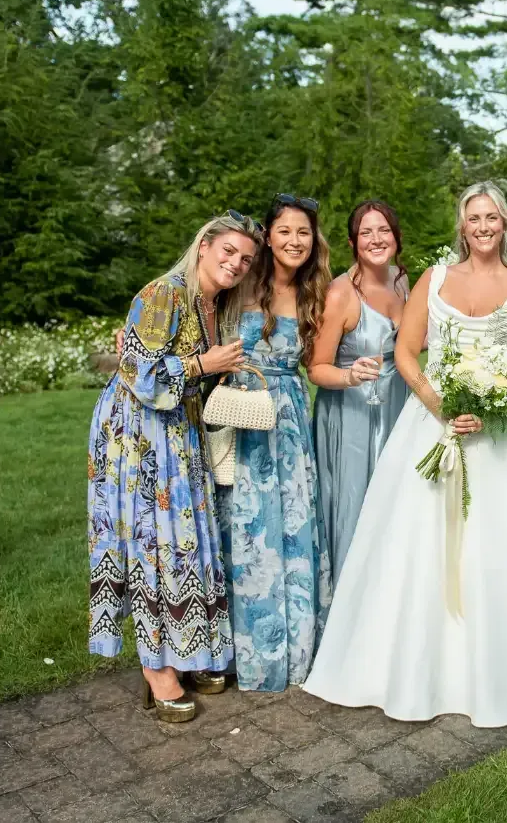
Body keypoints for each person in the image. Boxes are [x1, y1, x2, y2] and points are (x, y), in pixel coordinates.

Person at [303, 182, 507, 727]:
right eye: (474, 217)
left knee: (498, 548)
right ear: (462, 225)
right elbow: (406, 350)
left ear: (505, 224)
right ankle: (413, 667)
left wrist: (490, 405)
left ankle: (499, 669)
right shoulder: (433, 278)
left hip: (499, 437)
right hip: (431, 423)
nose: (484, 226)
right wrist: (439, 404)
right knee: (415, 546)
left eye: (492, 217)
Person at [88, 212, 262, 722]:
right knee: (150, 543)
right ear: (204, 245)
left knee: (181, 543)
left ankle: (183, 652)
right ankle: (155, 669)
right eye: (228, 251)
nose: (235, 263)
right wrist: (202, 366)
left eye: (245, 259)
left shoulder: (213, 304)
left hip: (179, 432)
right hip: (136, 435)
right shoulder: (164, 293)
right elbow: (139, 373)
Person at [217, 193, 332, 692]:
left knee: (288, 524)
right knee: (243, 527)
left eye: (303, 232)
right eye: (284, 230)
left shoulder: (314, 293)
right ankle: (236, 653)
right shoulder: (238, 281)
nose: (294, 240)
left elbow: (321, 359)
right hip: (239, 415)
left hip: (286, 423)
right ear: (268, 234)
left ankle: (294, 649)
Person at [309, 201, 411, 581]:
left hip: (397, 406)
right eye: (366, 232)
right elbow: (316, 367)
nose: (376, 239)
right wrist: (350, 376)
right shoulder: (339, 294)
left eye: (383, 230)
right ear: (353, 243)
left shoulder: (401, 280)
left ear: (396, 238)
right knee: (357, 506)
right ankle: (347, 603)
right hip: (351, 415)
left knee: (395, 506)